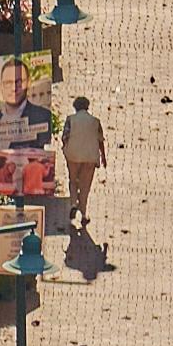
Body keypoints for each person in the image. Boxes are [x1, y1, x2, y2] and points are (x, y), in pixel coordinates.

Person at [56, 91, 108, 256]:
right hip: (90, 156)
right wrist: (103, 158)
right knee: (85, 186)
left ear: (75, 107)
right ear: (88, 107)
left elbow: (65, 137)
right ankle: (84, 214)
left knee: (73, 180)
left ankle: (73, 203)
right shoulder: (95, 122)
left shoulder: (70, 120)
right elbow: (100, 141)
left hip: (73, 155)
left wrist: (65, 148)